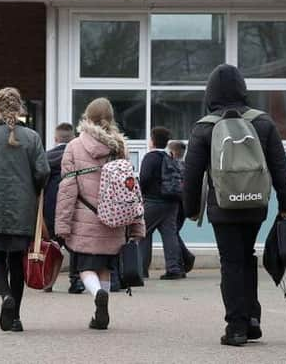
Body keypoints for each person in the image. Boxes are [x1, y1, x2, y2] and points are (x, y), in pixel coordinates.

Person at [184, 64, 286, 346]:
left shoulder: (204, 127)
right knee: (246, 257)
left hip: (222, 208)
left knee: (231, 262)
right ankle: (252, 318)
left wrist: (190, 209)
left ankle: (236, 327)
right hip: (256, 205)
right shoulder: (263, 122)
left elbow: (192, 174)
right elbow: (280, 168)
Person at [55, 98, 145, 330]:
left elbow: (67, 190)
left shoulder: (74, 146)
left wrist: (62, 225)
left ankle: (97, 296)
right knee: (104, 267)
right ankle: (100, 310)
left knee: (85, 268)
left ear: (87, 116)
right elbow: (131, 188)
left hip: (85, 219)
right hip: (115, 221)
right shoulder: (119, 147)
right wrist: (137, 225)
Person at [0, 87, 50, 332]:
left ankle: (5, 296)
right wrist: (34, 189)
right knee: (17, 260)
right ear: (20, 108)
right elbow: (44, 172)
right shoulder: (32, 137)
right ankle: (15, 318)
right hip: (22, 206)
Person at [43, 122, 85, 294]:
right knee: (74, 244)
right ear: (73, 138)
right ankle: (75, 281)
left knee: (51, 244)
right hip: (74, 205)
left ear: (55, 138)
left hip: (50, 206)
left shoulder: (46, 157)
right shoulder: (78, 156)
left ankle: (47, 281)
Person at [140, 127, 185, 280]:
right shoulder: (170, 157)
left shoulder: (150, 158)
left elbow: (144, 179)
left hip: (153, 202)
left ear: (152, 140)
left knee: (144, 233)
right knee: (170, 235)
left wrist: (141, 194)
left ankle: (141, 270)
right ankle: (174, 269)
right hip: (172, 203)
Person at [167, 140, 196, 274]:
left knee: (173, 233)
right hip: (184, 204)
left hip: (175, 204)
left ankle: (185, 259)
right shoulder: (187, 167)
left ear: (172, 152)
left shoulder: (173, 165)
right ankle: (184, 260)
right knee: (174, 233)